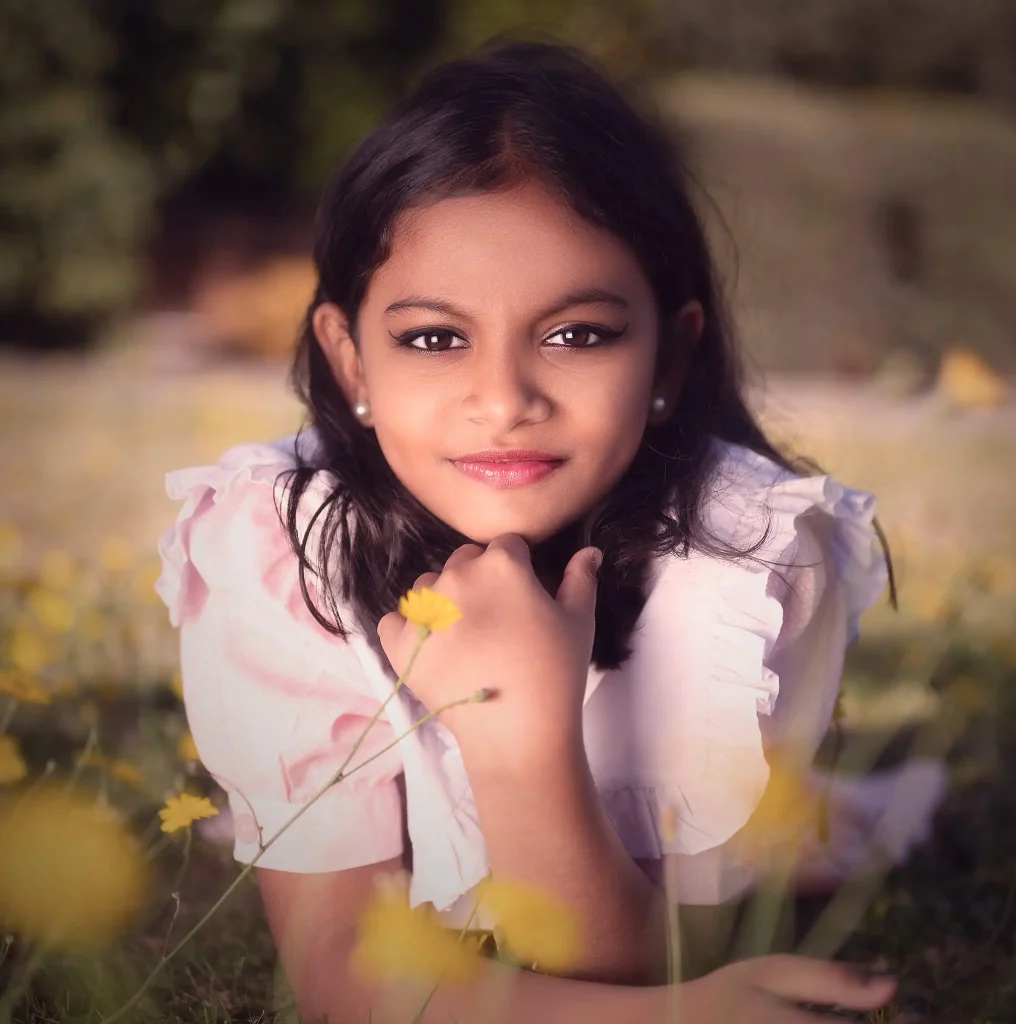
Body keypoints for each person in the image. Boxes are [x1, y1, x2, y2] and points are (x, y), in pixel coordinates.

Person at [155, 40, 945, 1023]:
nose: (502, 401)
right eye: (434, 338)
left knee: (824, 838)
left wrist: (518, 741)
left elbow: (666, 956)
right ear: (351, 360)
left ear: (670, 353)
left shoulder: (752, 562)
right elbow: (344, 983)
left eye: (577, 334)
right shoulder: (277, 548)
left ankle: (860, 812)